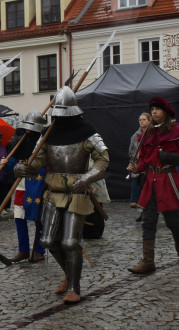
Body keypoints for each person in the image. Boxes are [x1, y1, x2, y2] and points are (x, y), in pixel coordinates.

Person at [16, 87, 109, 303]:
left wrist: (86, 178)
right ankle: (68, 275)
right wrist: (23, 169)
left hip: (76, 193)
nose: (59, 117)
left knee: (69, 242)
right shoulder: (48, 134)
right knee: (48, 241)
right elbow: (37, 162)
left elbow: (103, 159)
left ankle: (74, 287)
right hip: (53, 193)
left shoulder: (87, 131)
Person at [127, 97, 179, 273]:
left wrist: (171, 157)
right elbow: (143, 161)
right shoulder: (146, 134)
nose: (154, 112)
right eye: (152, 109)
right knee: (148, 222)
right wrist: (136, 167)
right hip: (151, 183)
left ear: (166, 111)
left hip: (168, 182)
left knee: (173, 222)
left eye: (157, 109)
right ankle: (148, 261)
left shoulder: (177, 131)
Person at [6, 112, 47, 263]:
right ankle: (23, 250)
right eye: (26, 127)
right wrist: (8, 163)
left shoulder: (44, 141)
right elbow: (14, 163)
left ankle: (39, 250)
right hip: (21, 183)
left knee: (38, 216)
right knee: (19, 215)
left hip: (38, 181)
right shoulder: (21, 140)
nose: (28, 130)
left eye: (31, 128)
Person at [129, 113, 151, 220]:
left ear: (149, 121)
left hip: (151, 167)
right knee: (141, 190)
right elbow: (131, 151)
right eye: (140, 120)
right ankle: (142, 213)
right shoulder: (135, 136)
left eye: (144, 119)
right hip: (140, 167)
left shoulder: (154, 134)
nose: (141, 121)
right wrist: (137, 157)